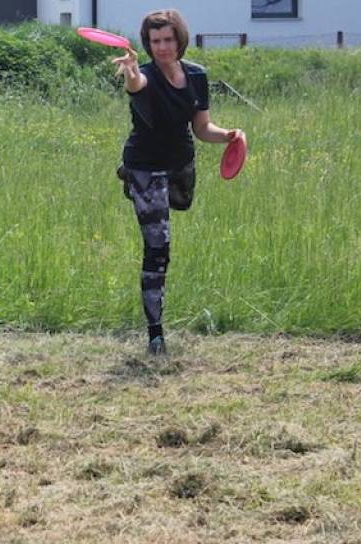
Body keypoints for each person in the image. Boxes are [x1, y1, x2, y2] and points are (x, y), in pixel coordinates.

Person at [112, 9, 245, 355]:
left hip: (180, 165)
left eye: (168, 39)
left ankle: (138, 187)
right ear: (148, 44)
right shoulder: (144, 75)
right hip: (146, 165)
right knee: (158, 246)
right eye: (155, 41)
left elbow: (202, 127)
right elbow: (135, 86)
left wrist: (228, 135)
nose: (162, 47)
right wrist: (130, 72)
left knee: (175, 214)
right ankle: (155, 334)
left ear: (179, 39)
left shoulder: (197, 75)